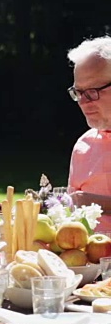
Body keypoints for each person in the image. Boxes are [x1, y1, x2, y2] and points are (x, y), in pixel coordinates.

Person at [66, 36, 111, 232]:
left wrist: (91, 202)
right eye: (78, 92)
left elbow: (81, 202)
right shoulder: (83, 146)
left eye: (92, 91)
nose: (84, 102)